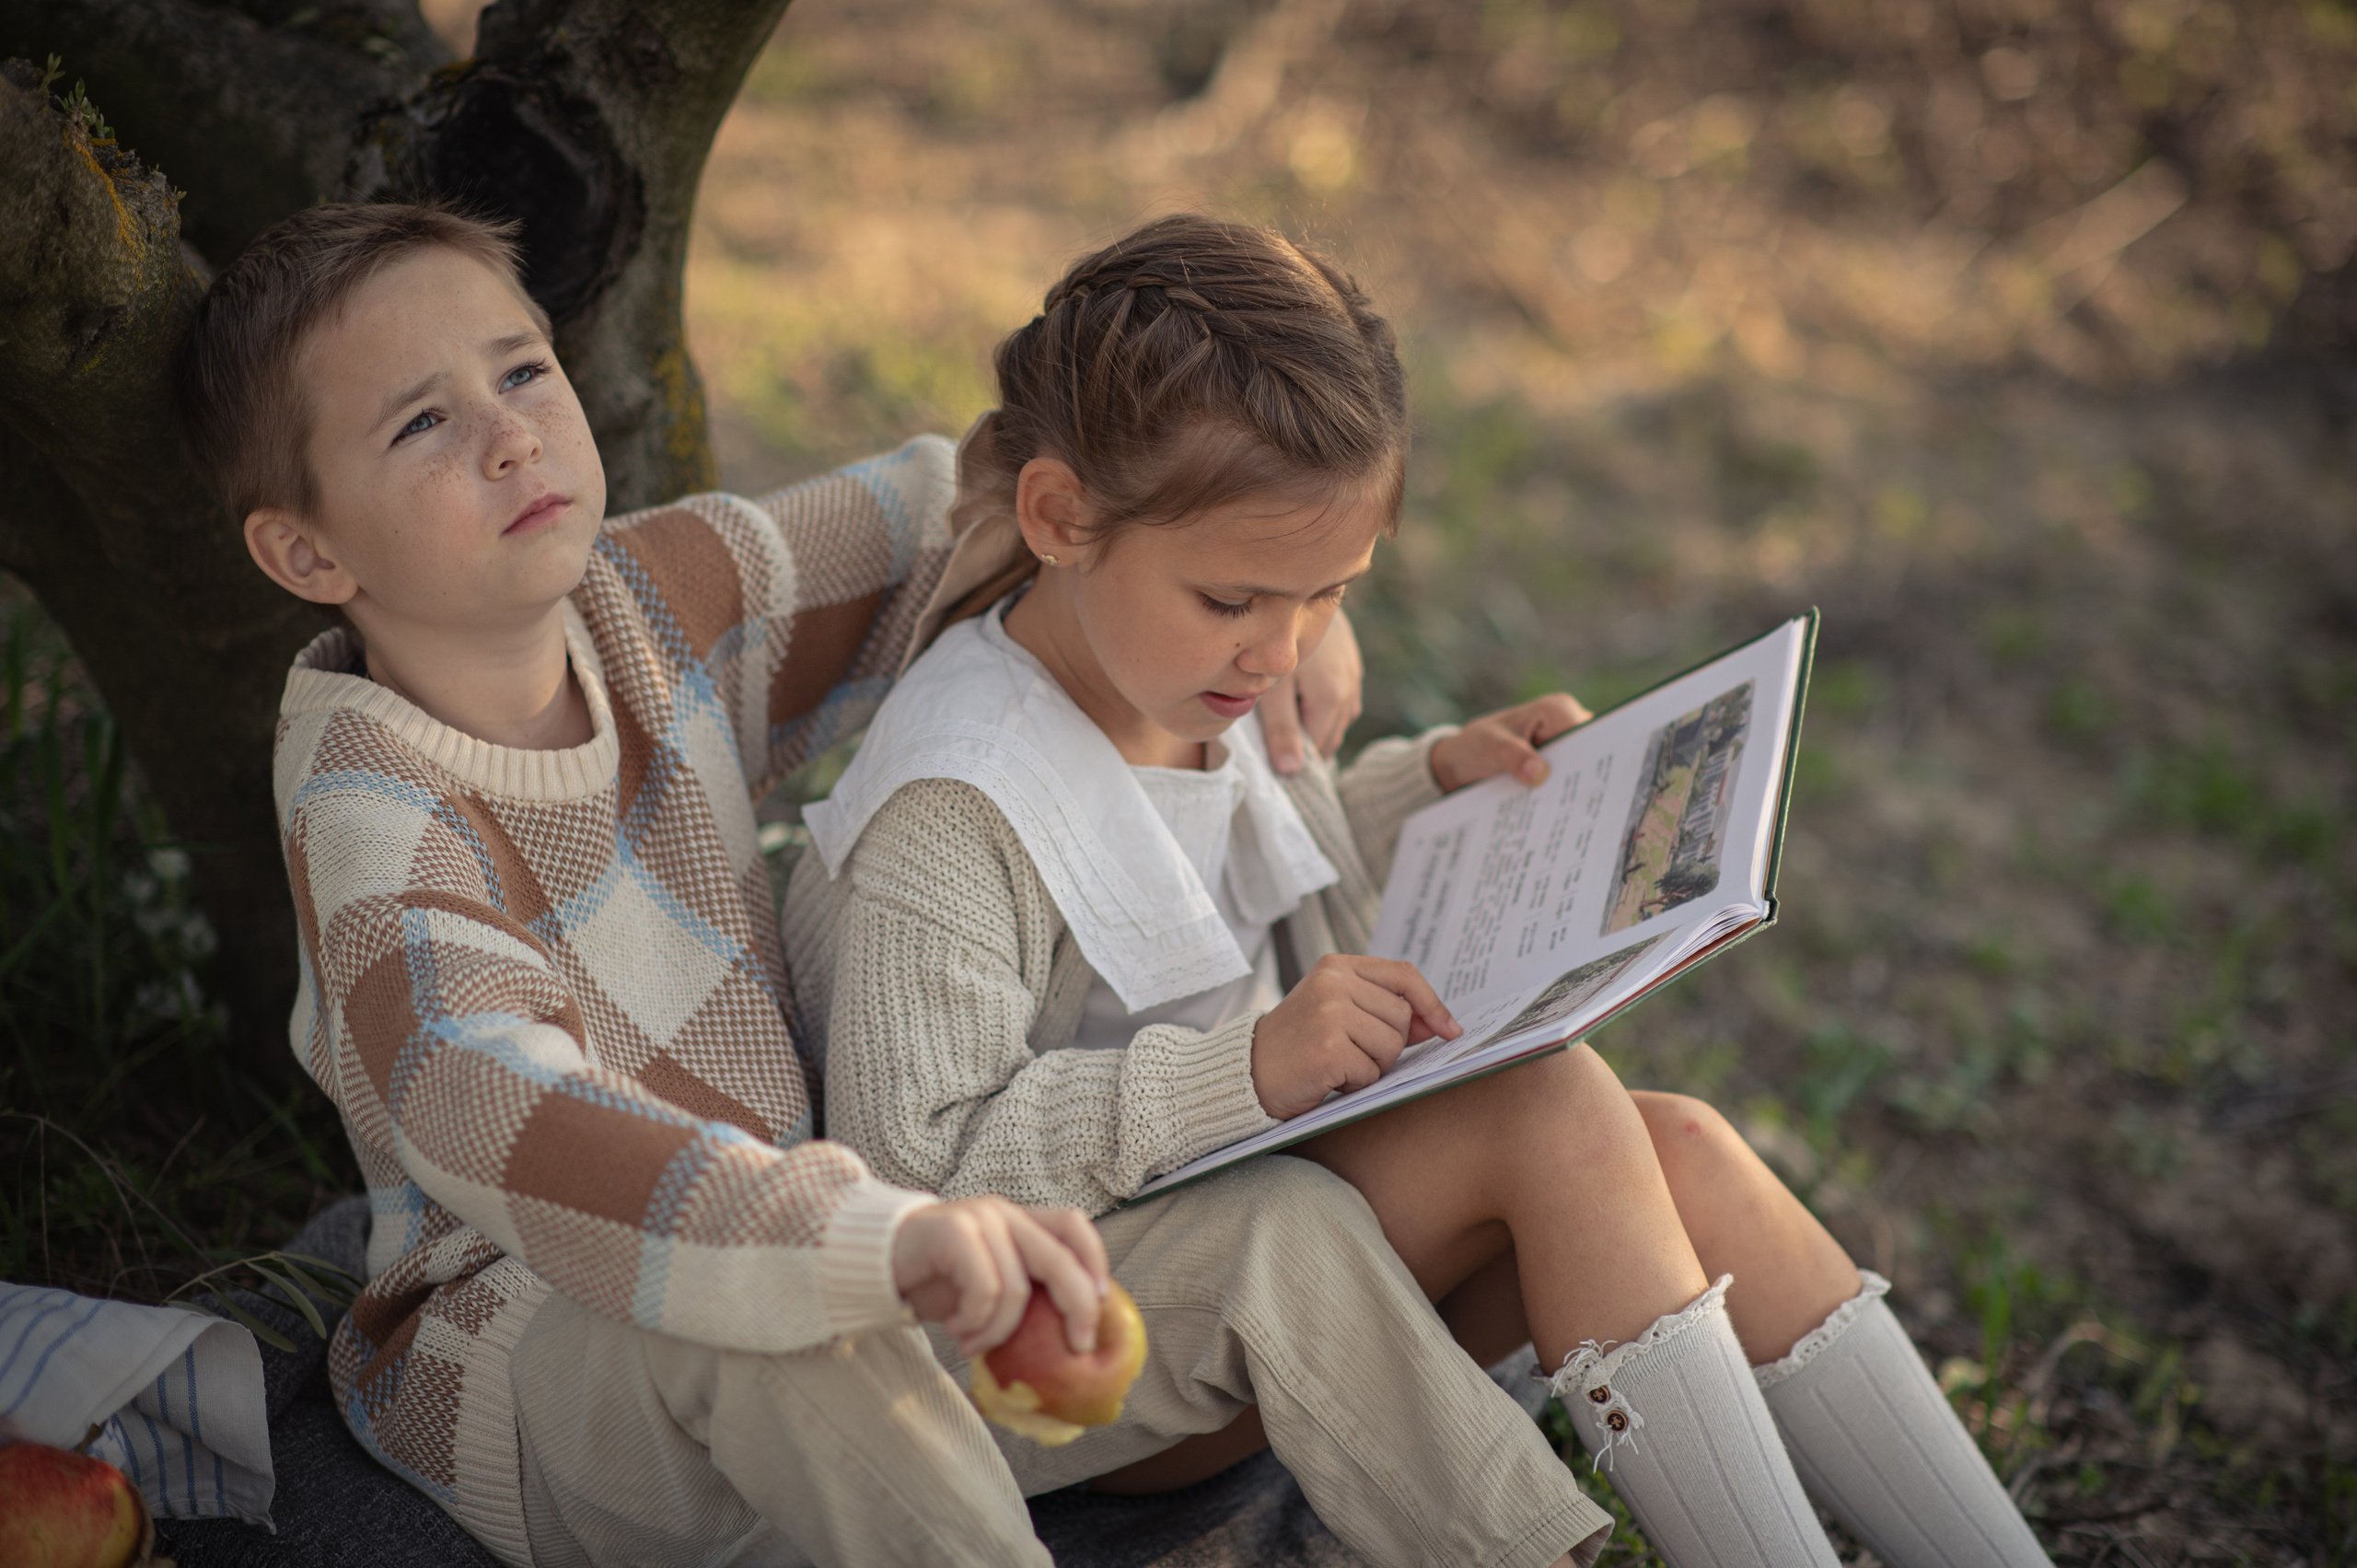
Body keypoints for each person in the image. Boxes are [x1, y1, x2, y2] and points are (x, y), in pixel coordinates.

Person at [787, 214, 2054, 1568]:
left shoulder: (1168, 660)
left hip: (1221, 1242)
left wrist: (1434, 783)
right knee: (1557, 1108)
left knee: (1674, 1148)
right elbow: (919, 1164)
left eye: (1331, 596)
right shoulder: (957, 804)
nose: (1284, 651)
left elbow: (1197, 862)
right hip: (1066, 1361)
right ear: (1059, 519)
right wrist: (1251, 1070)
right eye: (1239, 599)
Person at [177, 200, 1225, 1568]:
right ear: (310, 555)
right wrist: (864, 1235)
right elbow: (510, 1105)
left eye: (521, 370)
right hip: (529, 1352)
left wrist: (1235, 569)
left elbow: (973, 502)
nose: (509, 434)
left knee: (1263, 1240)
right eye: (420, 425)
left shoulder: (647, 598)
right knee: (788, 1337)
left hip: (801, 1243)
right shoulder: (371, 816)